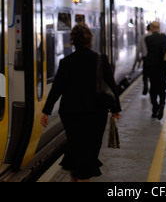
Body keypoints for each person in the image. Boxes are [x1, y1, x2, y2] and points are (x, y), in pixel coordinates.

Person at [40, 23, 121, 182]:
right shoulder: (100, 60)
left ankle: (75, 177)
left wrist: (46, 111)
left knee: (75, 146)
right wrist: (116, 109)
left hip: (71, 113)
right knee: (90, 149)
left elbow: (57, 89)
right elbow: (111, 86)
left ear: (73, 41)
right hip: (95, 113)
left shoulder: (66, 62)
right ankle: (83, 178)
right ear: (90, 39)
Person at [144, 21, 166, 120]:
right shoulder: (164, 38)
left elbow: (146, 53)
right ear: (159, 27)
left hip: (151, 66)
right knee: (162, 87)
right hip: (162, 67)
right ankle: (162, 104)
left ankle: (155, 108)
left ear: (151, 28)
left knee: (153, 89)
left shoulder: (147, 39)